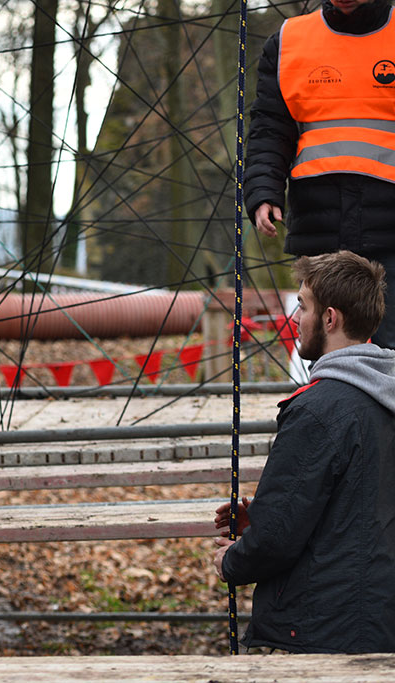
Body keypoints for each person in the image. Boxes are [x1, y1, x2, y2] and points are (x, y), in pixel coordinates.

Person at [212, 251, 395, 653]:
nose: (297, 318)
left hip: (327, 627)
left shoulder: (318, 409)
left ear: (330, 319)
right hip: (380, 616)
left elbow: (278, 537)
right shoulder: (385, 396)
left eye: (304, 306)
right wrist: (256, 518)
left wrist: (234, 561)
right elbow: (356, 507)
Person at [243, 0, 395, 348]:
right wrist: (263, 191)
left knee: (392, 345)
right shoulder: (288, 41)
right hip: (320, 222)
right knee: (323, 344)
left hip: (391, 222)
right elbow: (270, 127)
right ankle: (328, 403)